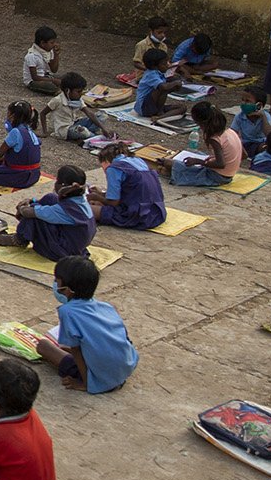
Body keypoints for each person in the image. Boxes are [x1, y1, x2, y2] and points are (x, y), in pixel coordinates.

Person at [32, 255, 138, 394]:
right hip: (126, 367)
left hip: (102, 378)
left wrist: (86, 383)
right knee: (65, 345)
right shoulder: (106, 307)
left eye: (56, 281)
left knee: (44, 346)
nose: (54, 284)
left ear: (67, 290)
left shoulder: (67, 312)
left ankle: (94, 379)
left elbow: (76, 351)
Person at [14, 166, 95, 260]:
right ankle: (23, 234)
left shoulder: (64, 210)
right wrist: (32, 200)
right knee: (50, 198)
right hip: (77, 245)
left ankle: (19, 239)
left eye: (57, 181)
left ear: (63, 186)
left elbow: (29, 212)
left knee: (35, 215)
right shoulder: (81, 198)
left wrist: (22, 207)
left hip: (65, 250)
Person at [93, 142, 168, 230]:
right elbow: (133, 190)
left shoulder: (113, 168)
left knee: (86, 209)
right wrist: (101, 195)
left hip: (139, 216)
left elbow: (113, 202)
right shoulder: (138, 161)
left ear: (105, 161)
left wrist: (95, 196)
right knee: (98, 203)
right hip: (157, 213)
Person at [171, 100, 244, 187]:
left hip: (218, 177)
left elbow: (221, 164)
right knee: (195, 154)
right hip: (229, 174)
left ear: (202, 123)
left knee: (173, 165)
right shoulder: (230, 131)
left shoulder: (215, 139)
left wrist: (199, 161)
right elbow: (244, 154)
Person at [43, 73, 107, 142]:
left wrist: (104, 129)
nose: (80, 94)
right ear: (67, 90)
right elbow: (43, 114)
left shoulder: (78, 99)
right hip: (64, 130)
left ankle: (87, 135)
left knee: (102, 115)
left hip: (74, 124)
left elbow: (89, 113)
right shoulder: (57, 100)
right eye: (78, 91)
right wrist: (45, 132)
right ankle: (97, 138)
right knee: (83, 131)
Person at [134, 47, 183, 118]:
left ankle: (160, 117)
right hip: (145, 108)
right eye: (165, 63)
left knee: (182, 107)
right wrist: (175, 83)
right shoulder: (151, 74)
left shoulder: (159, 73)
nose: (168, 65)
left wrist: (174, 81)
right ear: (155, 66)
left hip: (154, 106)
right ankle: (160, 112)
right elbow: (163, 87)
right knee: (163, 88)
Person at [230, 89, 271, 161]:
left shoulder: (266, 116)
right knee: (266, 147)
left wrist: (263, 117)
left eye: (247, 101)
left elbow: (269, 135)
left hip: (263, 141)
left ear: (259, 105)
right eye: (242, 100)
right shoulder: (240, 116)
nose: (243, 103)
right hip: (248, 144)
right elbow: (233, 134)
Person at [24, 26, 61, 96]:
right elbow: (35, 77)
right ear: (43, 43)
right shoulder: (32, 56)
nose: (54, 45)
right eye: (52, 43)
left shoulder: (48, 52)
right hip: (34, 81)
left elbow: (54, 70)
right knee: (52, 87)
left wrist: (56, 55)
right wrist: (53, 81)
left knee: (69, 77)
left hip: (46, 76)